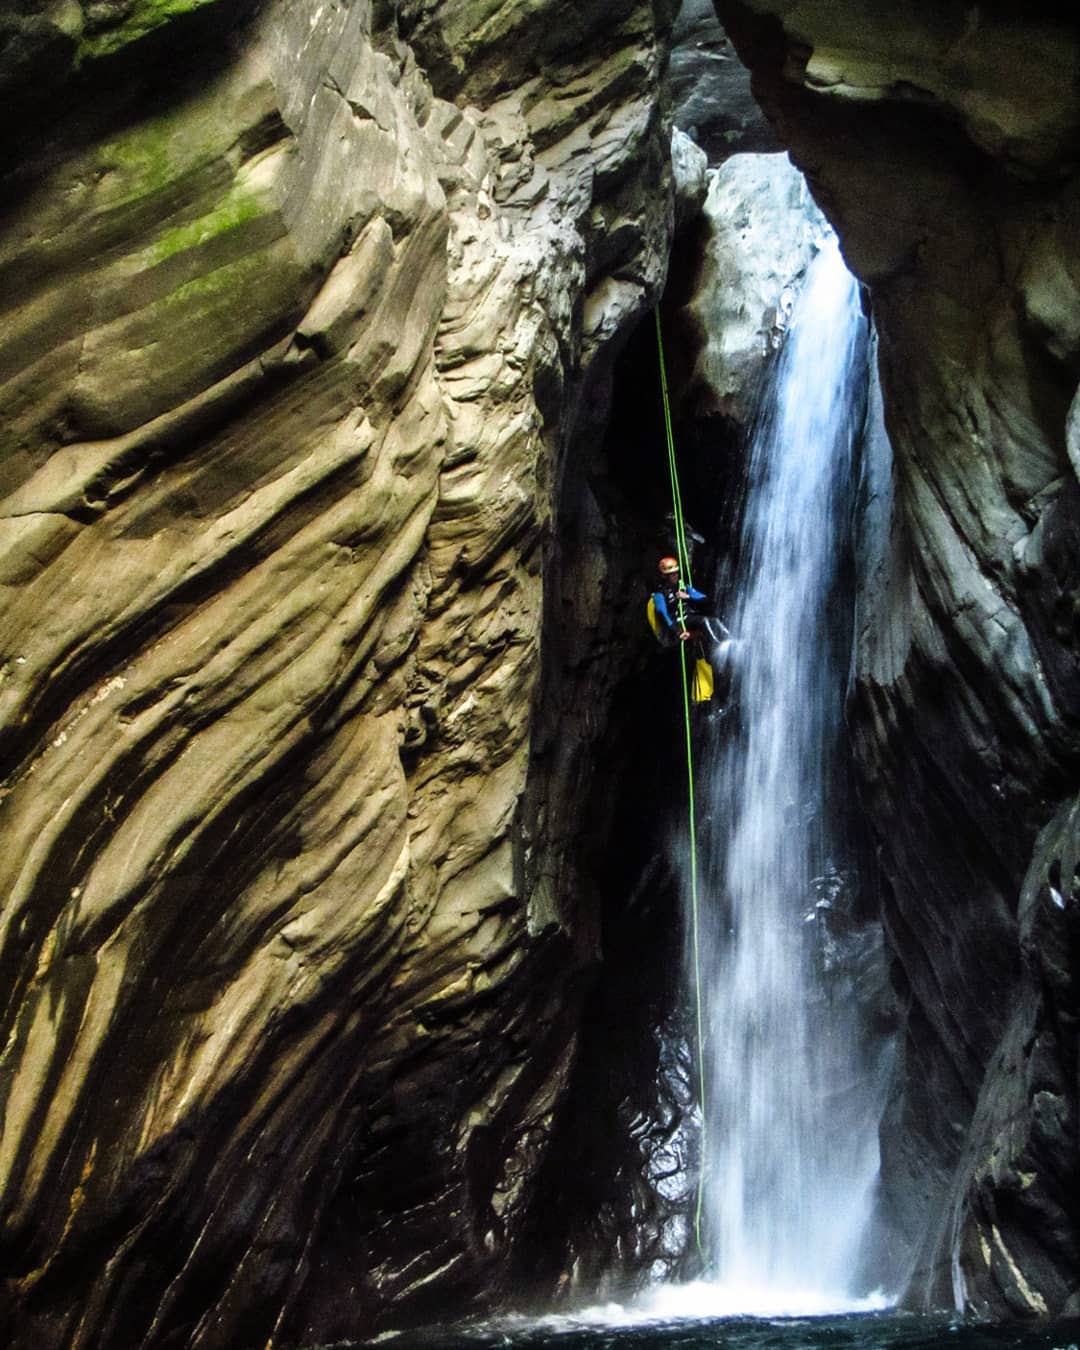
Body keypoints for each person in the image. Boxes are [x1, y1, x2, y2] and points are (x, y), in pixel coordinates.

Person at [649, 556, 738, 698]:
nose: (675, 575)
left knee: (712, 620)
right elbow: (663, 614)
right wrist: (678, 632)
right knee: (703, 621)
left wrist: (687, 597)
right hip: (678, 622)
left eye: (676, 572)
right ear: (664, 576)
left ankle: (730, 639)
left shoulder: (683, 587)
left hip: (690, 617)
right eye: (671, 574)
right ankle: (719, 643)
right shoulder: (660, 594)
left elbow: (703, 598)